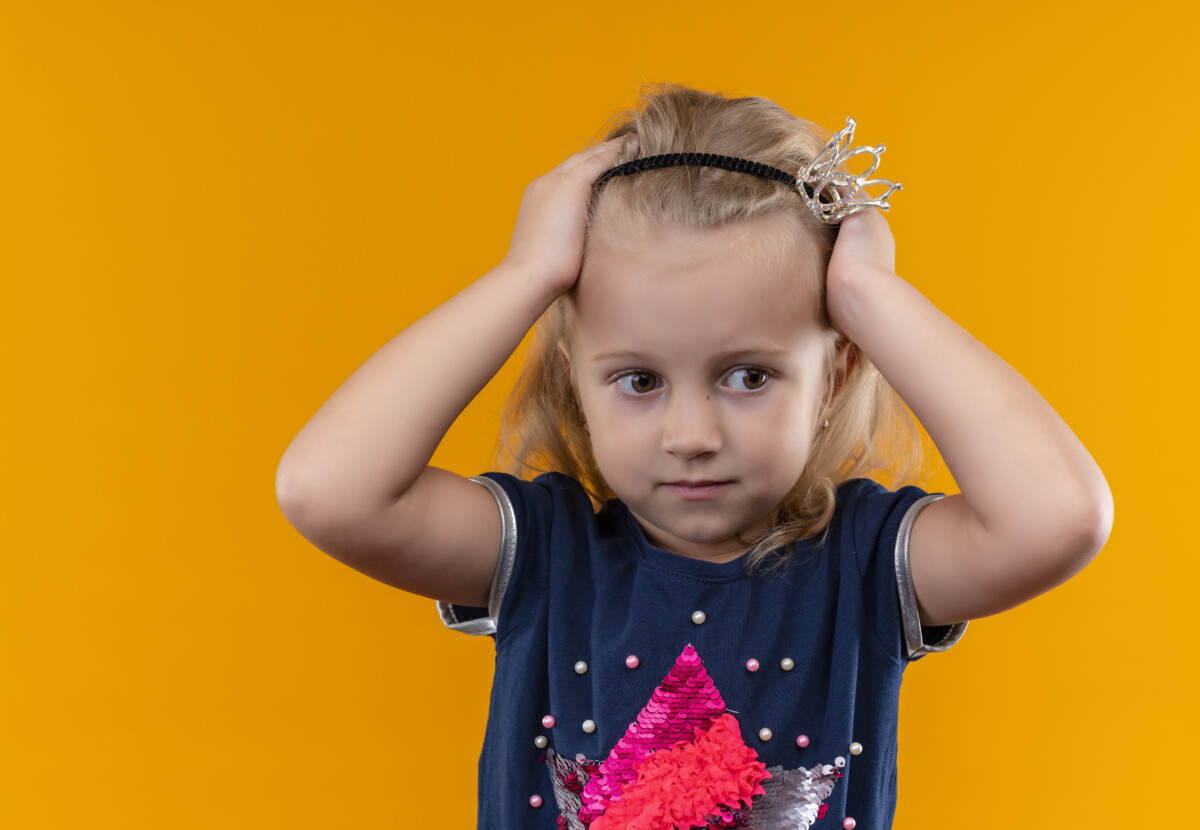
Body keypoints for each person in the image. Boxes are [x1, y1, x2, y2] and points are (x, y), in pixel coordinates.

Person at [275, 84, 1112, 830]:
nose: (691, 434)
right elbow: (327, 490)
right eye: (638, 379)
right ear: (578, 382)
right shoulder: (543, 554)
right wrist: (526, 274)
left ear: (835, 375)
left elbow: (1059, 516)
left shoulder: (865, 563)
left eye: (749, 375)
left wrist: (870, 295)